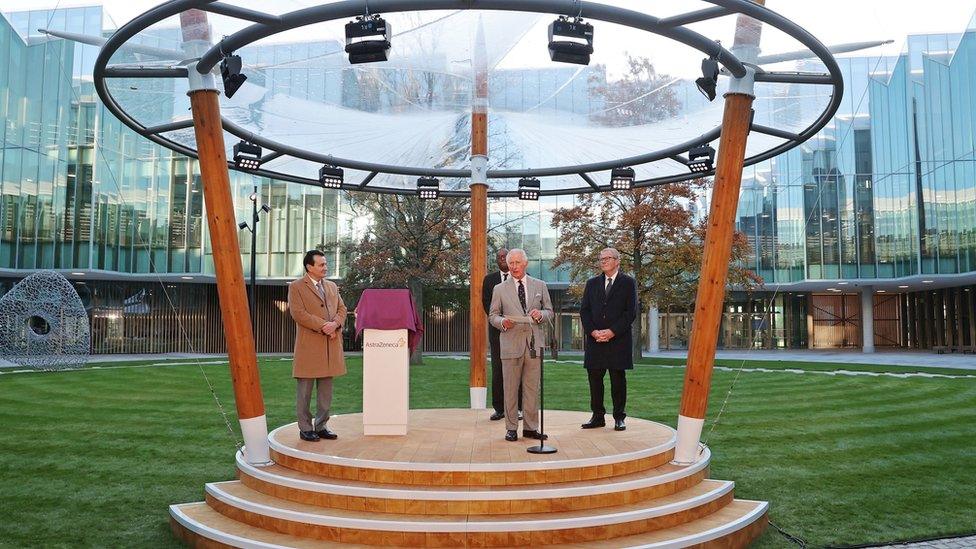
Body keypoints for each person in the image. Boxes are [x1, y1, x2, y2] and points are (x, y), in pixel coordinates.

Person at [488, 248, 554, 442]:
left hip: (534, 345)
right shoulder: (499, 289)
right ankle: (511, 428)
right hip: (510, 344)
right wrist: (502, 322)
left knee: (532, 388)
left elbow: (549, 310)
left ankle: (531, 428)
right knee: (510, 388)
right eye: (511, 263)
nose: (514, 267)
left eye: (517, 263)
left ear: (525, 264)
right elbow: (493, 315)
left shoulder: (540, 285)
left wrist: (541, 315)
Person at [287, 250, 347, 442]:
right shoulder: (296, 287)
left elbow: (342, 309)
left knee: (325, 392)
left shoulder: (331, 286)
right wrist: (324, 326)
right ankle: (305, 428)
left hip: (330, 346)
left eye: (325, 264)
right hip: (309, 347)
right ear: (309, 267)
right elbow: (298, 313)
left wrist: (335, 324)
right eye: (321, 264)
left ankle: (321, 426)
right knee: (304, 391)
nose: (325, 267)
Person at [579, 247, 637, 432]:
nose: (603, 261)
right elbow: (585, 310)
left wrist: (612, 331)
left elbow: (631, 313)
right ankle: (597, 417)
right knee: (594, 380)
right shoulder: (592, 283)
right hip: (595, 341)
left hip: (618, 341)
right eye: (601, 258)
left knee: (618, 381)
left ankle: (619, 417)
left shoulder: (628, 283)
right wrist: (593, 331)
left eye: (607, 258)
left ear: (617, 261)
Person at [481, 247, 521, 421]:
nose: (502, 259)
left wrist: (514, 320)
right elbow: (487, 304)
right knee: (498, 369)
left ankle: (519, 408)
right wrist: (502, 321)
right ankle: (499, 408)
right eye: (499, 257)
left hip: (518, 331)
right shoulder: (489, 280)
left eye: (505, 256)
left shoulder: (519, 279)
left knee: (518, 368)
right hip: (498, 332)